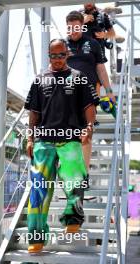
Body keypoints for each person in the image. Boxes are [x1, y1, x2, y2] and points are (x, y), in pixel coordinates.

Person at [24, 38, 100, 253]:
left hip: (71, 139)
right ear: (49, 56)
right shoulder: (39, 80)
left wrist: (89, 127)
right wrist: (30, 137)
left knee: (75, 181)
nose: (58, 59)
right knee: (38, 191)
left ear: (67, 54)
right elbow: (33, 113)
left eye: (61, 55)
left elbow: (89, 106)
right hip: (44, 141)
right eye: (53, 55)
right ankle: (36, 237)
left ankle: (73, 220)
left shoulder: (79, 78)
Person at [66, 10, 116, 170]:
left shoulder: (93, 44)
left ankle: (83, 176)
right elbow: (51, 68)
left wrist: (108, 91)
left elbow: (101, 69)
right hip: (65, 95)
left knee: (86, 135)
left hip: (88, 96)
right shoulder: (60, 45)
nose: (73, 31)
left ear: (82, 27)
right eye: (70, 28)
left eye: (76, 27)